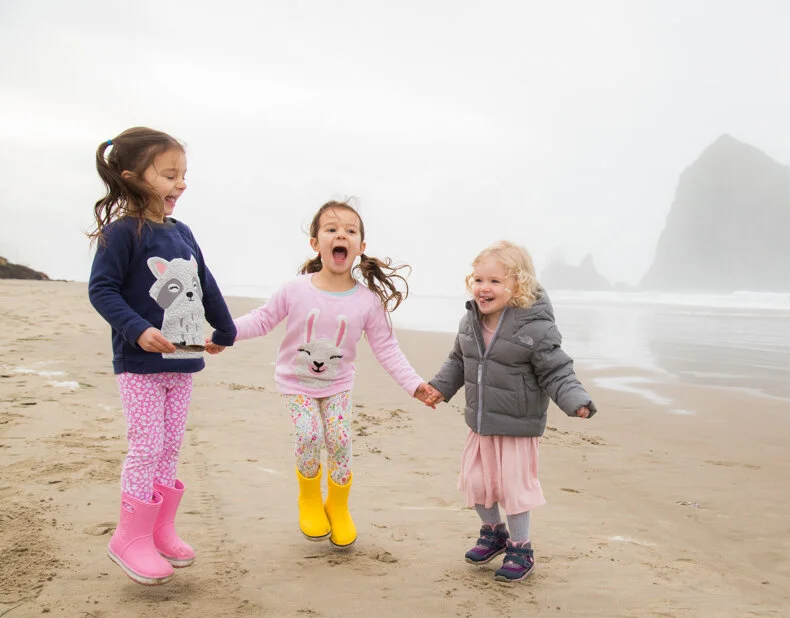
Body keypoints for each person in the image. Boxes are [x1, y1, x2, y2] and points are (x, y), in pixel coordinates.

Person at [224, 199, 436, 548]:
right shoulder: (295, 289)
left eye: (351, 231)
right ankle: (309, 498)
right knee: (309, 435)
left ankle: (337, 506)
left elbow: (387, 348)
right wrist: (224, 334)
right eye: (332, 229)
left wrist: (414, 385)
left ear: (360, 247)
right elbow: (261, 320)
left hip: (337, 384)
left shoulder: (368, 301)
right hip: (296, 383)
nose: (342, 235)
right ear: (316, 243)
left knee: (339, 441)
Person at [88, 127, 237, 585]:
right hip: (140, 365)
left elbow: (205, 284)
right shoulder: (122, 234)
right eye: (170, 175)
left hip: (183, 361)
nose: (181, 184)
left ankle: (159, 529)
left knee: (171, 446)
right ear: (132, 178)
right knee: (147, 446)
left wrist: (225, 328)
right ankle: (129, 538)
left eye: (183, 175)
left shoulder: (182, 232)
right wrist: (138, 329)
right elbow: (102, 290)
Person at [423, 240, 596, 582]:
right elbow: (458, 361)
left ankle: (521, 547)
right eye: (479, 280)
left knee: (514, 490)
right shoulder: (469, 321)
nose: (484, 288)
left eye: (495, 281)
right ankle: (493, 532)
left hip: (517, 426)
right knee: (475, 484)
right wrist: (439, 389)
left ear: (518, 285)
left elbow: (556, 370)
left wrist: (575, 399)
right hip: (481, 422)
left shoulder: (535, 327)